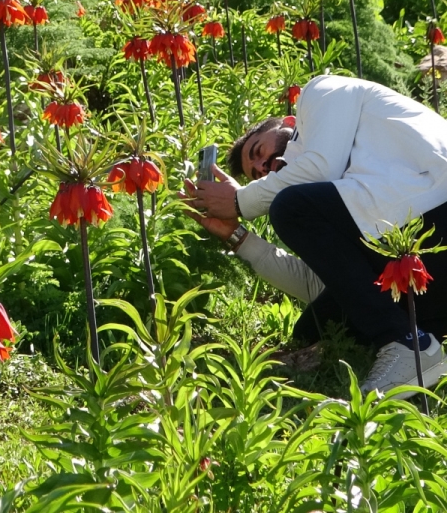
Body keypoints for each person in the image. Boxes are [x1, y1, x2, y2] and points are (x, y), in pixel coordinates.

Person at [183, 74, 447, 395]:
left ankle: (406, 343)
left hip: (436, 209)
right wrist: (235, 235)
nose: (264, 166)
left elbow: (321, 166)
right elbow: (329, 283)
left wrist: (240, 200)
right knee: (317, 323)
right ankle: (416, 348)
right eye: (257, 173)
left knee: (289, 207)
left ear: (289, 122)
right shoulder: (335, 198)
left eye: (258, 150)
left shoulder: (323, 90)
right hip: (422, 246)